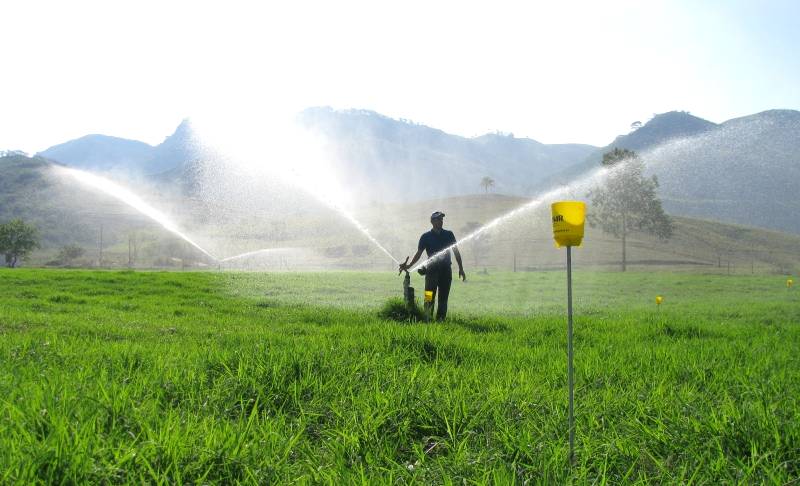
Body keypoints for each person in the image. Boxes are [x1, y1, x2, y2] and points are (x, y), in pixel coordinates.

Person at [398, 211, 466, 321]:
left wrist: (461, 268)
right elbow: (418, 254)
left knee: (443, 298)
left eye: (442, 219)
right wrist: (410, 265)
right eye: (438, 219)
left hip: (446, 271)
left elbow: (456, 251)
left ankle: (440, 320)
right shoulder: (425, 237)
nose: (441, 221)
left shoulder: (449, 234)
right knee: (429, 296)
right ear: (432, 221)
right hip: (431, 271)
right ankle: (427, 318)